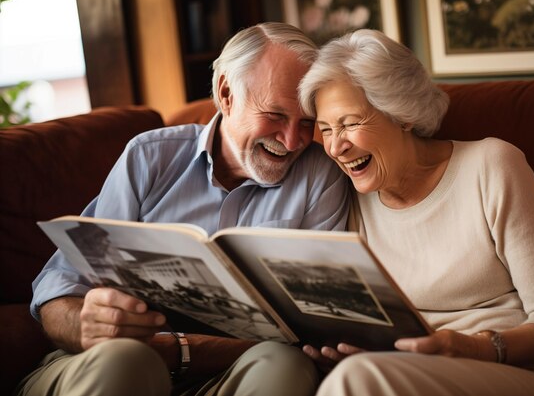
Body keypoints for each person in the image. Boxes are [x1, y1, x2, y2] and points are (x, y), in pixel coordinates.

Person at [17, 22, 350, 396]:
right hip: (111, 364)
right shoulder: (149, 158)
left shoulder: (321, 175)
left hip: (228, 371)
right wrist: (86, 324)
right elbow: (58, 286)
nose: (293, 141)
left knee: (285, 364)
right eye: (275, 115)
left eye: (306, 122)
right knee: (128, 361)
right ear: (226, 94)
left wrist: (180, 351)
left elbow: (317, 325)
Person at [297, 29, 534, 396]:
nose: (337, 146)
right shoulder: (348, 200)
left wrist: (473, 347)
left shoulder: (491, 166)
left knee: (356, 380)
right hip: (409, 375)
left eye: (351, 123)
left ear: (402, 114)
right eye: (326, 129)